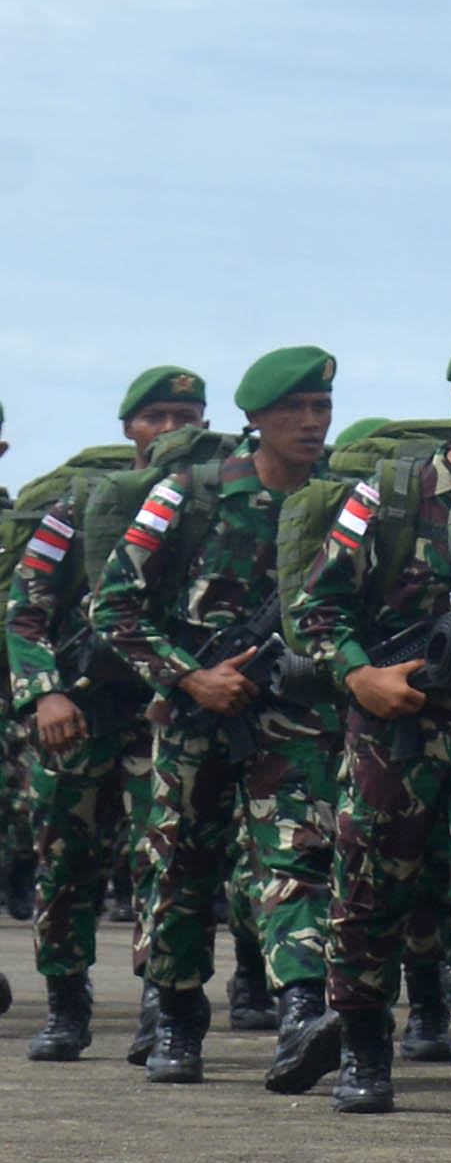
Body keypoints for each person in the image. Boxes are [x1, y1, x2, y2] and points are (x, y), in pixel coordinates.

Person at [285, 325, 451, 1113]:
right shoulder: (393, 491)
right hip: (394, 723)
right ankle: (364, 1043)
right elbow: (317, 604)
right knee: (370, 887)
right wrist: (357, 674)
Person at [90, 349, 347, 1086]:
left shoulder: (338, 500)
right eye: (293, 409)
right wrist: (189, 676)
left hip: (293, 714)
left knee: (298, 859)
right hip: (193, 712)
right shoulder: (187, 495)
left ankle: (302, 1010)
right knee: (179, 868)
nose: (310, 421)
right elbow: (112, 607)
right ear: (255, 419)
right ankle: (175, 1017)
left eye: (321, 407)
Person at [14, 365, 211, 1061]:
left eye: (187, 415)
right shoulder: (75, 511)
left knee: (167, 860)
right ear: (129, 428)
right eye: (157, 416)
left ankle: (163, 1003)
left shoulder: (210, 507)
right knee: (65, 863)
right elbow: (24, 615)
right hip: (80, 712)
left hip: (166, 713)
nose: (173, 429)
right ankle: (66, 1002)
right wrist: (45, 694)